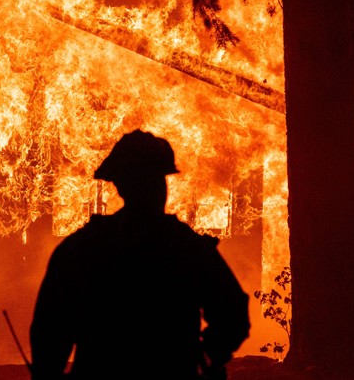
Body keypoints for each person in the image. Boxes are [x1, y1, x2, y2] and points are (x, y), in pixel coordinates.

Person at [30, 129, 250, 379]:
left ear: (120, 186)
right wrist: (207, 356)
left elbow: (51, 330)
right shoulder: (186, 247)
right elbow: (232, 315)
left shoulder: (82, 248)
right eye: (158, 180)